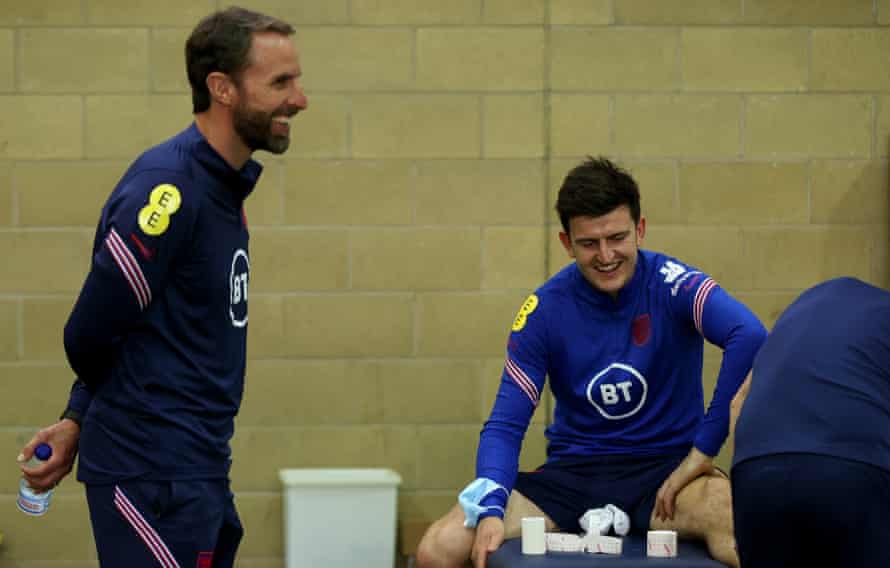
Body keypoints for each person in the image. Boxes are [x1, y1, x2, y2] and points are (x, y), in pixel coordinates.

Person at [17, 6, 308, 567]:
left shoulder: (221, 187)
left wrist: (78, 416)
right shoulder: (170, 190)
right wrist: (101, 419)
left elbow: (135, 324)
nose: (299, 99)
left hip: (195, 470)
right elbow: (88, 332)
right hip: (154, 477)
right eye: (281, 82)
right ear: (221, 88)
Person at [416, 157, 767, 568]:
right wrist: (492, 507)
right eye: (588, 243)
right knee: (438, 548)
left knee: (739, 520)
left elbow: (750, 335)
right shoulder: (544, 310)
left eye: (617, 237)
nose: (605, 255)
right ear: (566, 243)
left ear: (640, 229)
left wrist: (703, 453)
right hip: (572, 477)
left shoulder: (674, 284)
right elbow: (505, 424)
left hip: (665, 477)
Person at [730, 277, 890, 568]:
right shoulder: (881, 315)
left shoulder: (796, 318)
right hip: (850, 470)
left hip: (756, 472)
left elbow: (738, 401)